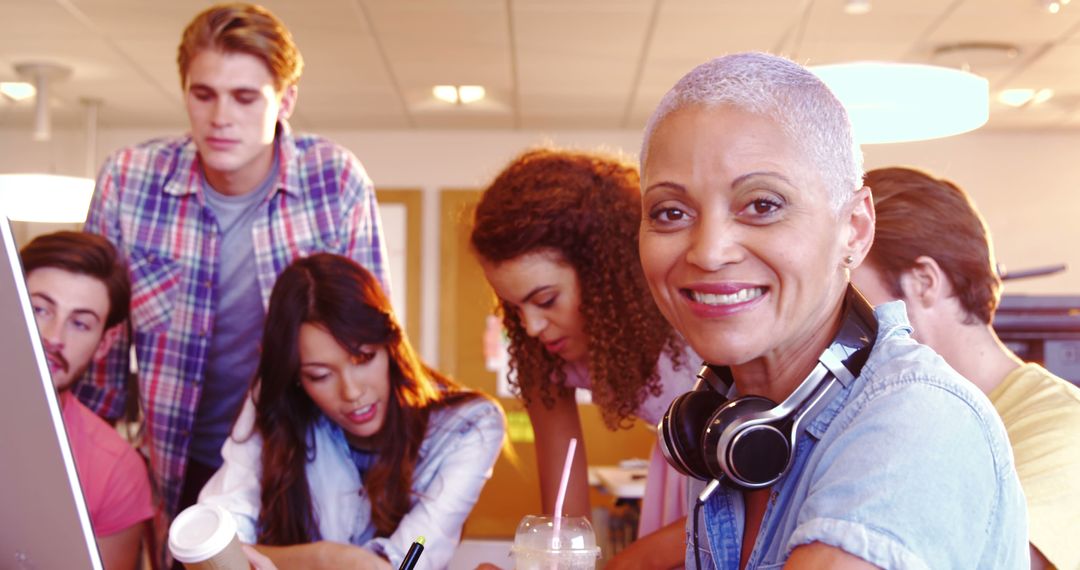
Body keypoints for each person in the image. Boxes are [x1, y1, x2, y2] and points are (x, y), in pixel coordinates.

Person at [638, 52, 1028, 568]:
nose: (708, 251)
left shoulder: (917, 422)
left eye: (762, 205)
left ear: (856, 229)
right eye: (671, 212)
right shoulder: (732, 421)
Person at [74, 1, 390, 535]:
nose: (221, 117)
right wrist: (92, 476)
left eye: (245, 97)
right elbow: (96, 357)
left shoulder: (334, 182)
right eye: (204, 95)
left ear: (285, 100)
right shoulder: (129, 182)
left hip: (302, 460)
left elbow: (366, 344)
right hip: (177, 462)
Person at [198, 253, 505, 570]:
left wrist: (304, 561)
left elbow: (407, 561)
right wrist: (325, 559)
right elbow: (213, 549)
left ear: (391, 345)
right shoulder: (277, 402)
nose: (352, 392)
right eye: (320, 375)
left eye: (364, 358)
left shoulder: (468, 427)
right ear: (296, 379)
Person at [470, 148, 698, 568]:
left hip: (737, 491)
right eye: (514, 309)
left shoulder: (689, 316)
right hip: (679, 489)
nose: (532, 327)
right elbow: (565, 521)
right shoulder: (544, 354)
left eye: (546, 299)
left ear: (602, 273)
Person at [851, 166, 1080, 570]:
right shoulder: (893, 416)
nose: (839, 326)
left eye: (852, 300)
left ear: (924, 281)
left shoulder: (1062, 428)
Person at [20, 231, 154, 570]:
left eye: (80, 324)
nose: (53, 338)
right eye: (40, 309)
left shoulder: (116, 470)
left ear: (105, 342)